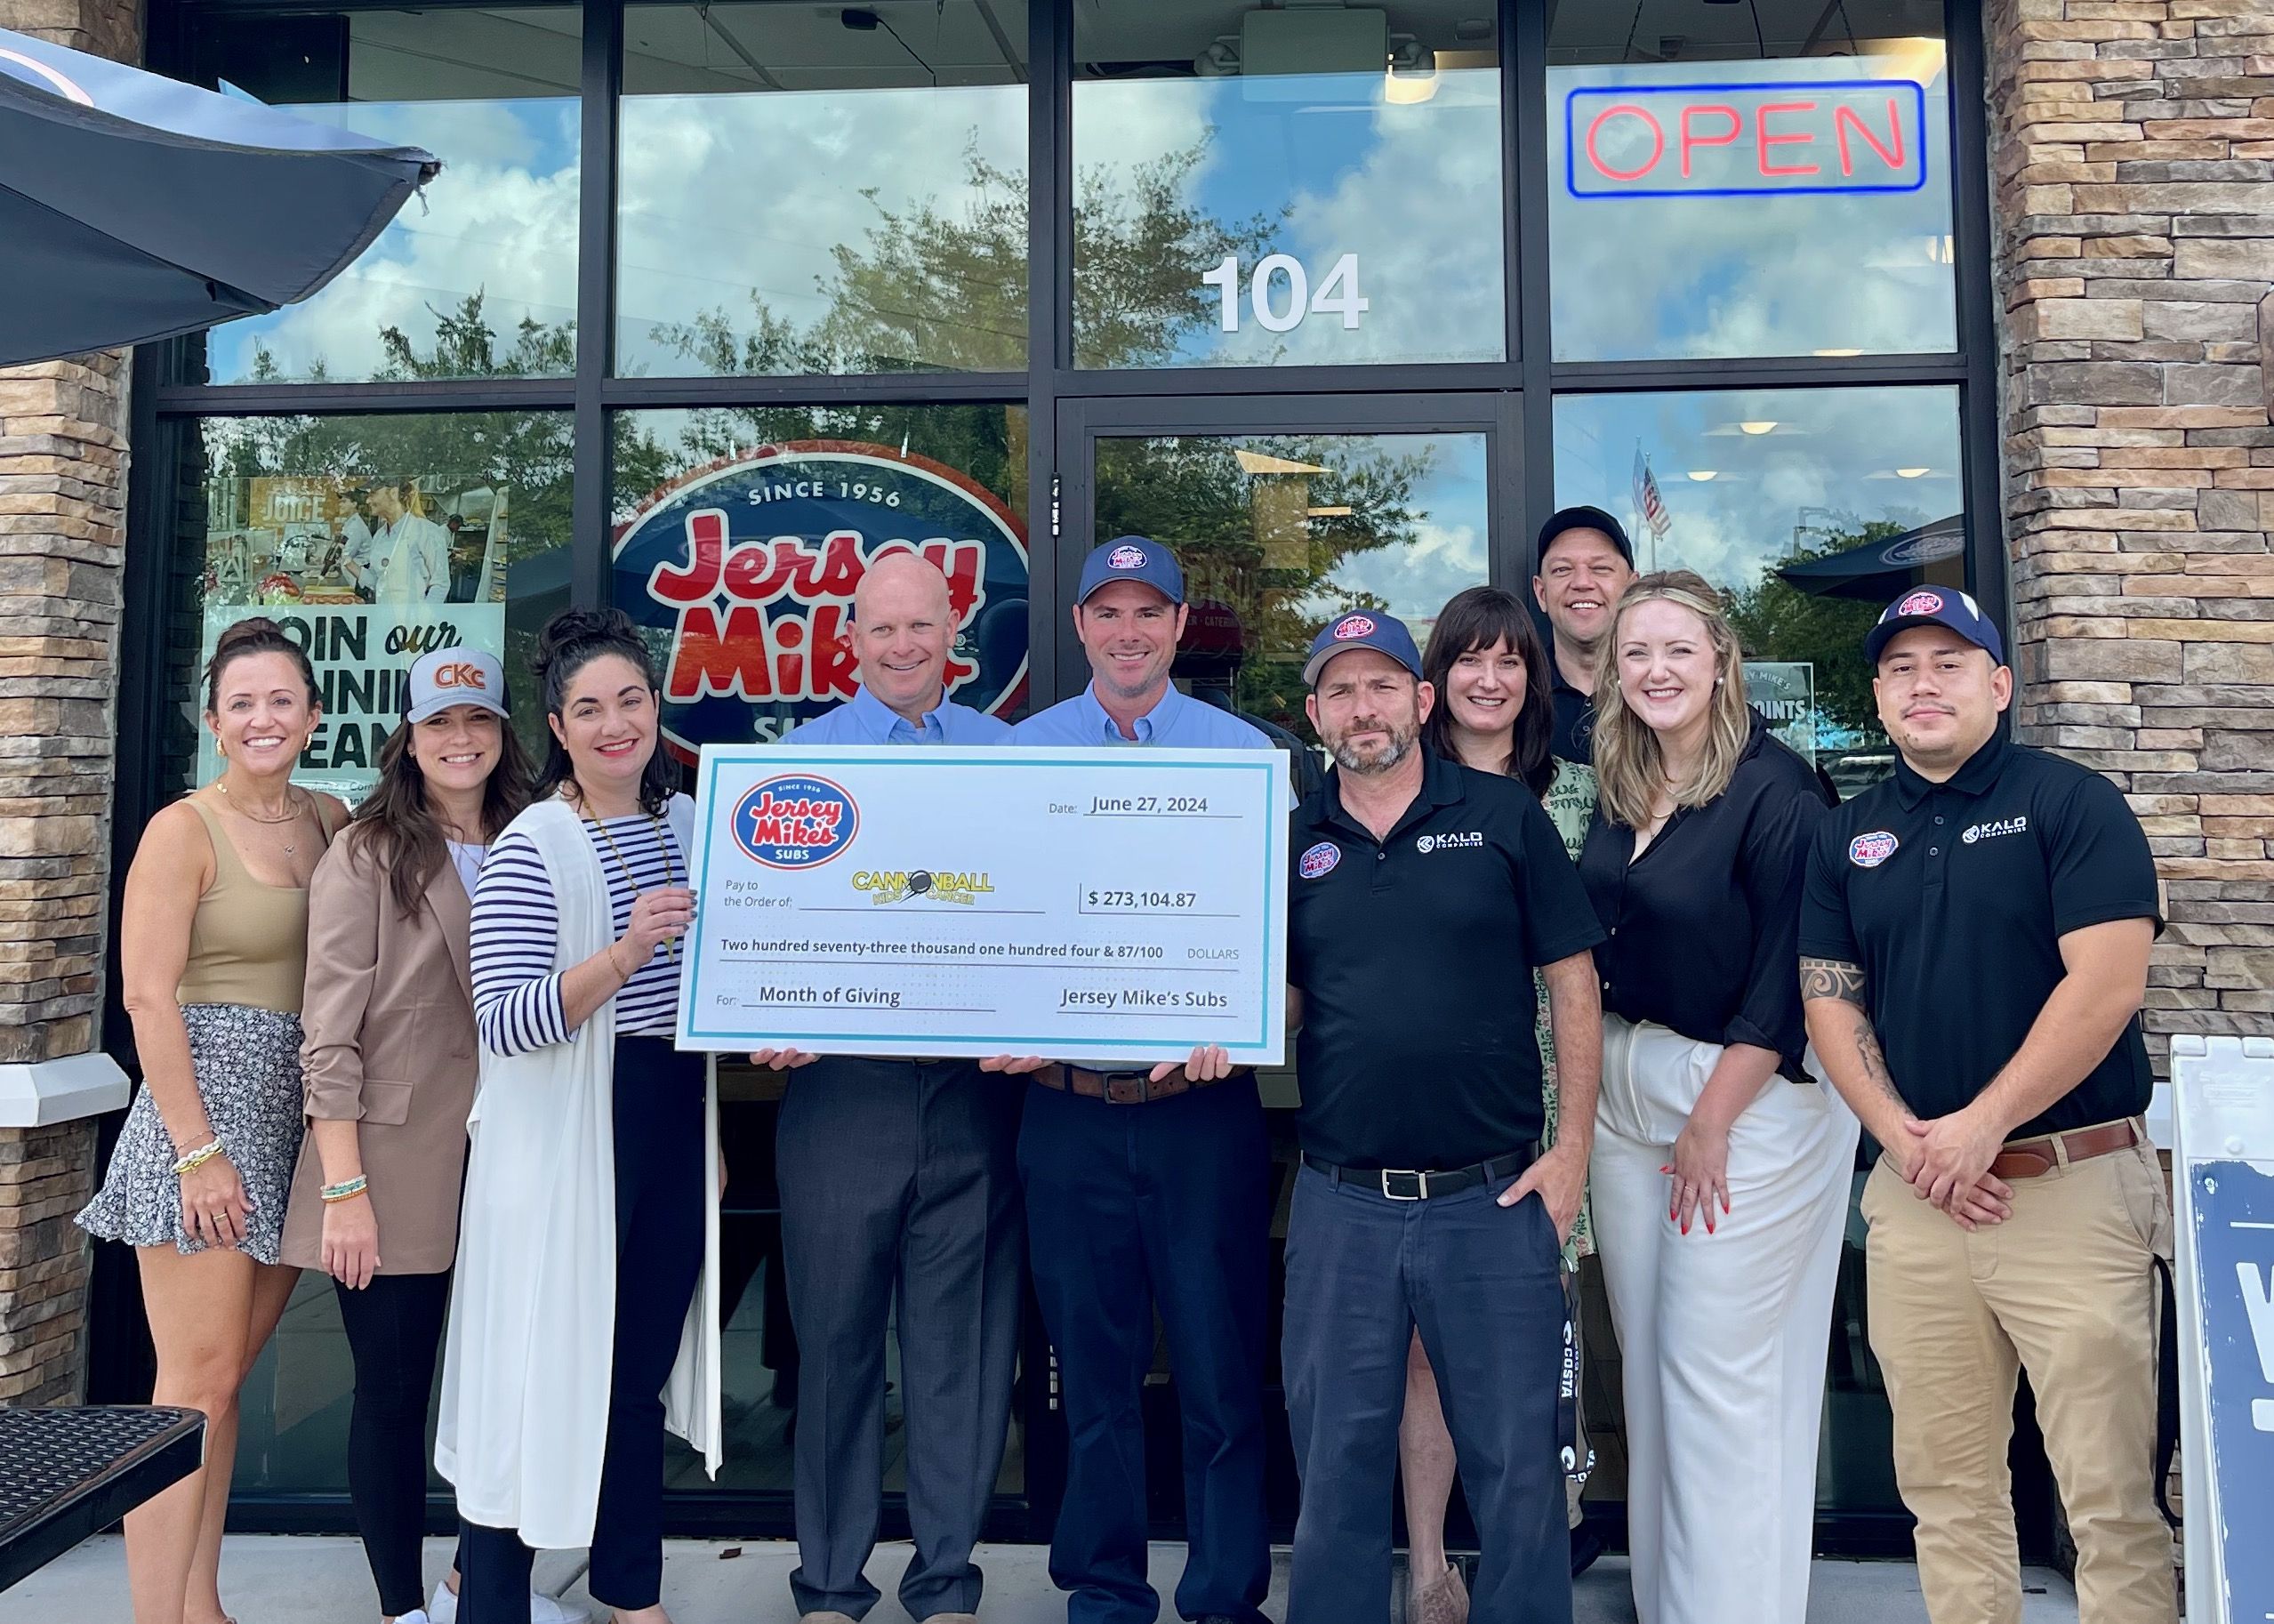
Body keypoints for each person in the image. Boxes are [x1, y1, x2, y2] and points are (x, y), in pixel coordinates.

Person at [1799, 587, 2174, 1624]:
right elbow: (1829, 999)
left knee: (2107, 1497)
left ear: (1999, 685)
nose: (1925, 682)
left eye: (1949, 662)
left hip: (2070, 1189)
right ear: (1876, 697)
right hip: (1920, 1201)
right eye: (1902, 668)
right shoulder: (1847, 838)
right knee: (1946, 1493)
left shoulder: (2070, 803)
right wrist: (1903, 1139)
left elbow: (2105, 984)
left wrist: (1980, 1124)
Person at [1283, 608, 1603, 1624]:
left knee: (1516, 1471)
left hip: (1493, 1192)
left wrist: (1571, 1152)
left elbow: (1574, 982)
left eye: (1382, 685)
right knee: (1333, 1467)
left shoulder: (1505, 818)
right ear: (1314, 713)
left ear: (1421, 702)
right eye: (1341, 690)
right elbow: (1277, 997)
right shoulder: (1294, 840)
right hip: (1341, 1200)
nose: (1363, 706)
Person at [1575, 572, 1854, 1624]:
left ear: (1722, 661)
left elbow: (1793, 975)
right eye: (1634, 653)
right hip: (1628, 1080)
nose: (1655, 670)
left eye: (1677, 650)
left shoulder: (1779, 790)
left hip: (1744, 1095)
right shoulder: (1623, 775)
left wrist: (1709, 1119)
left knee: (1715, 1380)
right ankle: (1670, 1603)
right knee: (1652, 1378)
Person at [275, 647, 573, 1624]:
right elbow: (330, 1032)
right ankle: (402, 1605)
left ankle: (471, 1587)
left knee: (515, 1383)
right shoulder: (365, 851)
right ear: (410, 736)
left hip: (520, 1149)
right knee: (395, 1393)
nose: (461, 739)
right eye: (440, 722)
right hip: (394, 1163)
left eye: (477, 719)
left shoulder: (545, 833)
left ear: (503, 730)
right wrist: (343, 1190)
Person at [437, 609, 722, 1624]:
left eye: (631, 701)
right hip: (567, 1133)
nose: (615, 724)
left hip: (669, 1116)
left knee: (634, 1375)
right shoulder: (535, 842)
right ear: (557, 726)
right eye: (589, 708)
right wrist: (625, 951)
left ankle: (630, 1593)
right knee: (534, 1371)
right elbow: (506, 1021)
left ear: (656, 707)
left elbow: (714, 1001)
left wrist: (710, 1139)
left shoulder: (689, 824)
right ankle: (492, 1601)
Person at [1008, 536, 1274, 1624]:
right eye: (1106, 611)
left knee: (1218, 1373)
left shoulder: (1245, 754)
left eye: (1147, 611)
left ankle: (1221, 1592)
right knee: (1092, 1377)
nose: (1127, 630)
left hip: (1197, 1112)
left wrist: (1239, 1016)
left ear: (1176, 626)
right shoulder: (1019, 755)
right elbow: (990, 914)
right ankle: (1105, 1589)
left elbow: (1272, 937)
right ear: (1079, 626)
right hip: (1065, 1110)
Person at [78, 617, 350, 1624]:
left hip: (292, 1126)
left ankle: (204, 1605)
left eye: (282, 698)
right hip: (207, 1122)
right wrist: (199, 1152)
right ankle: (159, 1615)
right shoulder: (181, 829)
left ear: (314, 716)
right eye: (242, 702)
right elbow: (147, 996)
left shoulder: (328, 818)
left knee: (227, 1380)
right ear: (212, 721)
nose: (263, 717)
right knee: (189, 1383)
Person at [767, 553, 1022, 1624]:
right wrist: (763, 1016)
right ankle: (829, 1581)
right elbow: (761, 930)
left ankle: (946, 1580)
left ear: (952, 627)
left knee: (957, 1350)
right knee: (832, 1343)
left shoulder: (1011, 758)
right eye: (882, 630)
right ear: (851, 638)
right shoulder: (792, 764)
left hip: (974, 1091)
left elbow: (1040, 916)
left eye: (921, 625)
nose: (903, 646)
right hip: (840, 1093)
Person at [1396, 587, 1600, 1624]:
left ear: (1533, 680)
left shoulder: (1580, 795)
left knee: (1533, 1336)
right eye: (1468, 660)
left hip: (1551, 1101)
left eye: (1509, 661)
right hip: (1431, 1110)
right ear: (1436, 681)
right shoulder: (1398, 790)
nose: (1489, 679)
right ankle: (1430, 1565)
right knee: (1427, 1345)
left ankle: (1533, 1559)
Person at [1531, 507, 1636, 765]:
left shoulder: (1662, 691)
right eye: (1562, 570)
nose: (1582, 582)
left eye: (1600, 568)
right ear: (1541, 593)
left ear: (1632, 589)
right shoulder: (1513, 695)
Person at [349, 480, 452, 606]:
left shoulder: (426, 531)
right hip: (384, 618)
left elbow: (440, 584)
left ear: (393, 493)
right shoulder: (380, 536)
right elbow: (377, 582)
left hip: (414, 620)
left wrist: (424, 619)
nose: (368, 501)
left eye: (373, 494)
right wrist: (348, 562)